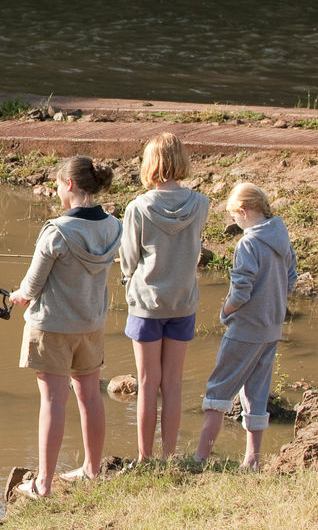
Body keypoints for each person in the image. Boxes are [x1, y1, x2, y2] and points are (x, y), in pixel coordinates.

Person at [9, 156, 122, 497]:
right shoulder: (113, 226)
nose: (58, 191)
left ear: (69, 185)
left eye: (58, 185)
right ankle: (91, 468)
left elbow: (31, 286)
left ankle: (42, 483)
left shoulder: (56, 231)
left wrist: (18, 296)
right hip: (91, 325)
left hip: (53, 327)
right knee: (90, 397)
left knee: (53, 402)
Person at [119, 132, 210, 460]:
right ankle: (169, 456)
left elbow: (129, 260)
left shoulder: (138, 207)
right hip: (183, 301)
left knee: (146, 382)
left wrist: (128, 283)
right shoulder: (201, 204)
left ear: (150, 164)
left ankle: (145, 458)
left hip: (146, 304)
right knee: (173, 383)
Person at [195, 182, 297, 470]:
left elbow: (241, 291)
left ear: (243, 211)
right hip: (271, 329)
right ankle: (252, 459)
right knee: (256, 394)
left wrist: (225, 311)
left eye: (234, 217)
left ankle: (201, 457)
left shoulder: (249, 243)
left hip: (245, 329)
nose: (235, 224)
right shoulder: (281, 237)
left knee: (217, 392)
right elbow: (291, 278)